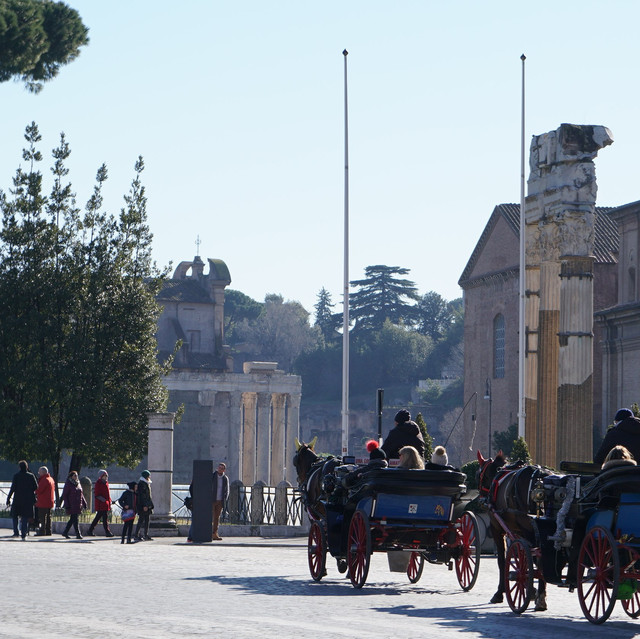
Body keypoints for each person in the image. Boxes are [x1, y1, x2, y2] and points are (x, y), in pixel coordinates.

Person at [6, 460, 38, 539]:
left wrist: (8, 498)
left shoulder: (16, 476)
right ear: (27, 467)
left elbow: (12, 488)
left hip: (17, 499)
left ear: (19, 467)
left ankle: (16, 532)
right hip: (28, 500)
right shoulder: (31, 476)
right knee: (25, 516)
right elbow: (36, 487)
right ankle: (23, 533)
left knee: (15, 516)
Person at [60, 470, 87, 539]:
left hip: (78, 504)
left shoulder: (78, 483)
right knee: (75, 519)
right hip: (71, 504)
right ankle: (78, 534)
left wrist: (84, 503)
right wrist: (67, 505)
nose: (76, 477)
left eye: (77, 475)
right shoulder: (68, 484)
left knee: (73, 519)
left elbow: (81, 494)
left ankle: (65, 532)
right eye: (75, 475)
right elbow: (65, 495)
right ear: (71, 476)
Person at [86, 470, 114, 537]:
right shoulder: (98, 483)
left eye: (106, 476)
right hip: (101, 504)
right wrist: (104, 500)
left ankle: (90, 530)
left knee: (98, 518)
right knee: (104, 518)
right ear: (101, 476)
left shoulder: (106, 483)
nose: (106, 477)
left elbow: (107, 494)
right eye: (104, 476)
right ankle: (107, 532)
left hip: (105, 504)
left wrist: (109, 501)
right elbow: (97, 494)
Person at [35, 466, 56, 536]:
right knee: (48, 517)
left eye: (39, 472)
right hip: (50, 501)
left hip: (43, 501)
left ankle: (42, 531)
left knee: (42, 517)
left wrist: (34, 491)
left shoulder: (44, 480)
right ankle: (48, 530)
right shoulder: (51, 479)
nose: (38, 473)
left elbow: (39, 490)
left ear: (43, 472)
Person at [212, 462, 229, 541]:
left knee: (216, 518)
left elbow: (227, 490)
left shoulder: (225, 478)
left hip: (220, 501)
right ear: (217, 468)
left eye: (222, 468)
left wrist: (224, 499)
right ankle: (208, 533)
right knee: (210, 517)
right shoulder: (212, 476)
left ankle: (215, 533)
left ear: (224, 470)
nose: (220, 469)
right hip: (212, 500)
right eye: (219, 468)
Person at [135, 470, 154, 541]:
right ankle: (136, 535)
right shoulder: (142, 484)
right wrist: (145, 505)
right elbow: (142, 496)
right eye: (149, 476)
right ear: (146, 476)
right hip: (143, 506)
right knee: (141, 520)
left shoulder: (146, 483)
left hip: (147, 505)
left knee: (147, 520)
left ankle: (146, 534)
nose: (149, 477)